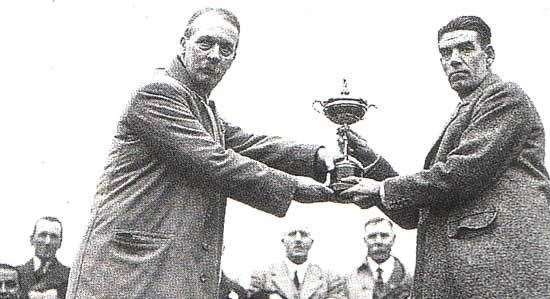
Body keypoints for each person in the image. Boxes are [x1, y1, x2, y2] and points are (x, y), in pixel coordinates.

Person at [66, 7, 336, 298]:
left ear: (233, 59)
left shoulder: (200, 106)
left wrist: (316, 157)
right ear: (184, 44)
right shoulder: (157, 92)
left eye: (226, 48)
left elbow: (248, 144)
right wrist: (295, 188)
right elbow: (212, 161)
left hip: (158, 274)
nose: (214, 54)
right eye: (205, 43)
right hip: (126, 278)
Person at [339, 15, 550, 297]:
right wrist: (370, 163)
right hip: (462, 277)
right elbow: (415, 214)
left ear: (489, 55)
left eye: (466, 49)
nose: (455, 59)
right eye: (446, 53)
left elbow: (462, 174)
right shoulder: (469, 110)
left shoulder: (506, 97)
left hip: (502, 276)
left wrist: (383, 189)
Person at [250, 225, 345, 299]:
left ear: (311, 242)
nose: (298, 239)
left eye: (304, 234)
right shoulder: (263, 276)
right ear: (283, 241)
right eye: (292, 234)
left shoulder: (330, 278)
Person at [345, 217, 411, 299]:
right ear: (365, 240)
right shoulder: (349, 277)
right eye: (372, 236)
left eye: (384, 236)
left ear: (393, 239)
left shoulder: (410, 275)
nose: (378, 241)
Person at [17, 217, 70, 299]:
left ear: (60, 243)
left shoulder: (70, 276)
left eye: (53, 237)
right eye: (42, 235)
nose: (47, 242)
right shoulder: (17, 274)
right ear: (32, 240)